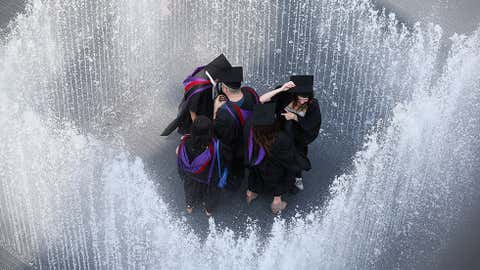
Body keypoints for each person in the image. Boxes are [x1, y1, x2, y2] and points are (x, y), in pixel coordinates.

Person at [259, 75, 321, 191]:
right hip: (281, 130)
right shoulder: (285, 94)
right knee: (279, 156)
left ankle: (297, 177)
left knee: (297, 158)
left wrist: (295, 117)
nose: (302, 102)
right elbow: (262, 100)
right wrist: (281, 89)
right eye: (300, 98)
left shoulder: (313, 105)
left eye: (306, 99)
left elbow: (313, 124)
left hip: (298, 136)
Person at [244, 103, 299, 214]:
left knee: (255, 175)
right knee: (277, 182)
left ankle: (250, 193)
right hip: (273, 167)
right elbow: (289, 159)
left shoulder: (250, 129)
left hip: (255, 162)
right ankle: (276, 204)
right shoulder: (280, 139)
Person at [212, 66, 259, 190]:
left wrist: (216, 110)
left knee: (234, 168)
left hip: (234, 149)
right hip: (251, 140)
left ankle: (234, 185)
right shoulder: (250, 93)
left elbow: (217, 133)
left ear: (226, 89)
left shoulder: (223, 113)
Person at [161, 54, 232, 135]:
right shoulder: (199, 88)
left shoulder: (207, 73)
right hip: (195, 112)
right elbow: (192, 111)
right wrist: (199, 129)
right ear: (216, 76)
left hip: (202, 102)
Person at [176, 116, 231, 216]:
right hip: (208, 177)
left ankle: (190, 206)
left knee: (190, 190)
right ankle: (208, 210)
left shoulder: (186, 142)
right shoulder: (216, 147)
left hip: (191, 175)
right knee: (211, 193)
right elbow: (226, 160)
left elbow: (178, 152)